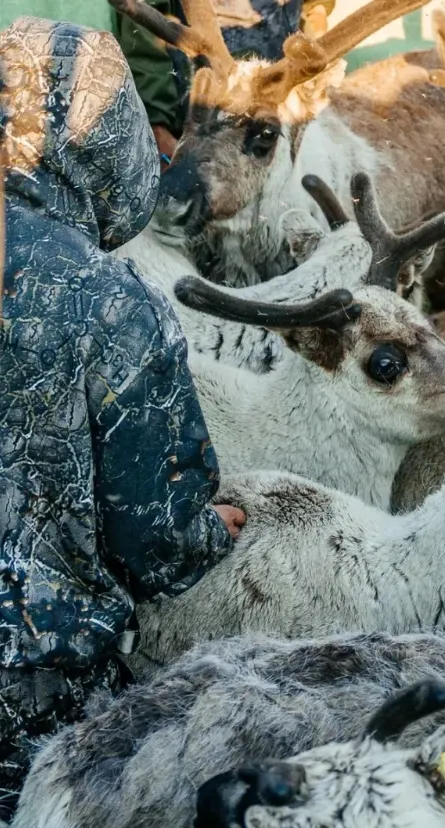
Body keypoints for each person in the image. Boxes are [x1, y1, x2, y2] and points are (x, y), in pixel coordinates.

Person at [1, 17, 244, 815]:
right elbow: (158, 545)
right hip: (33, 702)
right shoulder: (113, 305)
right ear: (112, 140)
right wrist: (220, 524)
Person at [113, 0, 315, 168]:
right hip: (194, 125)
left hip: (275, 131)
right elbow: (146, 27)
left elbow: (314, 7)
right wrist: (157, 126)